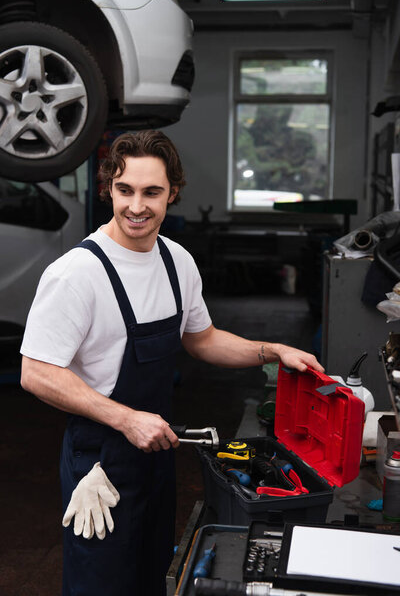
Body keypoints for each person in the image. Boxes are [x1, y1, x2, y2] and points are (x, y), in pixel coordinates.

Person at [20, 130, 324, 596]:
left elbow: (202, 340)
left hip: (156, 455)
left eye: (151, 192)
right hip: (99, 464)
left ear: (173, 192)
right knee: (101, 583)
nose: (136, 206)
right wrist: (126, 419)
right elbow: (36, 373)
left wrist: (272, 350)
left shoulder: (175, 260)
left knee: (154, 574)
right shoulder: (76, 274)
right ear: (109, 190)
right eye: (124, 191)